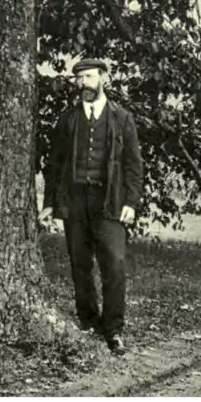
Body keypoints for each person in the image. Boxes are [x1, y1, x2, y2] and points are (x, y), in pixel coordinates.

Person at [40, 58, 143, 356]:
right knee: (80, 265)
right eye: (78, 79)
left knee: (115, 265)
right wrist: (50, 203)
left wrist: (131, 203)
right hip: (75, 202)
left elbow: (134, 166)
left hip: (109, 202)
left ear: (103, 78)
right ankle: (87, 322)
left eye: (88, 77)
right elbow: (55, 165)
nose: (82, 83)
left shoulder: (121, 118)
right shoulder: (68, 119)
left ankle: (113, 330)